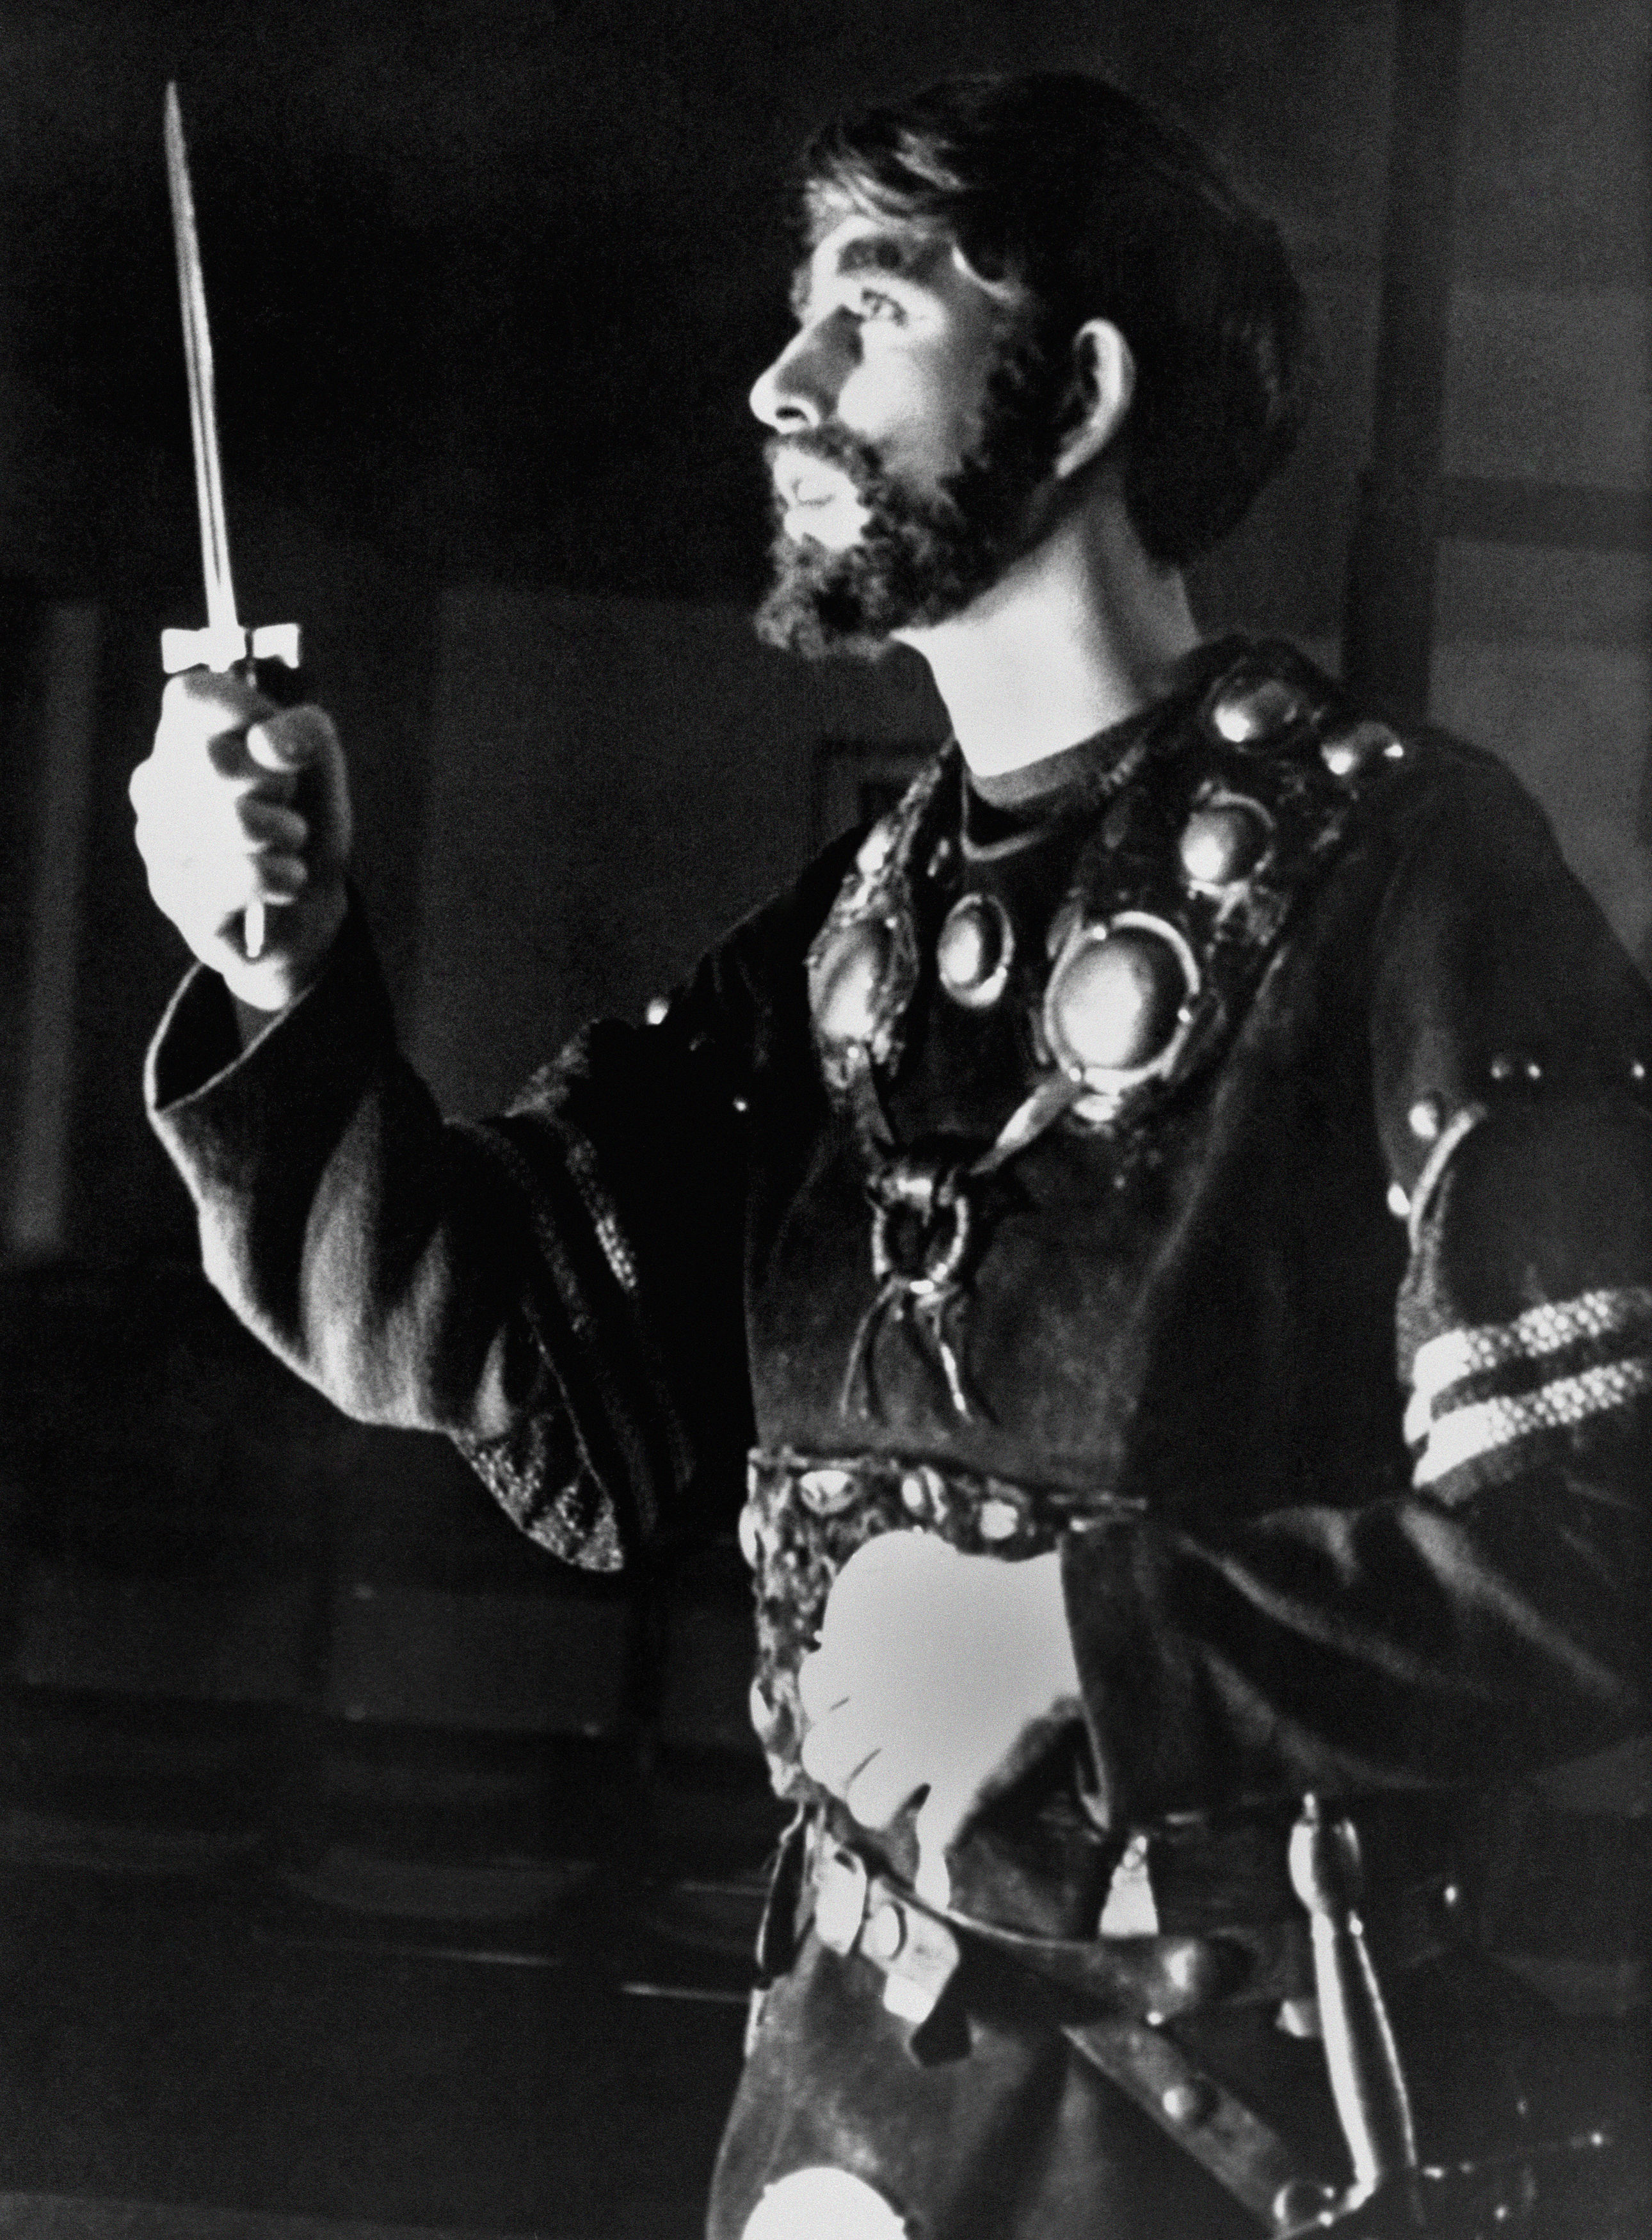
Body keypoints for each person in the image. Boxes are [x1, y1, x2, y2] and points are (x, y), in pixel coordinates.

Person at [131, 72, 1647, 2240]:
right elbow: (499, 1345)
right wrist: (274, 972)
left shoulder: (1411, 874)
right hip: (837, 2130)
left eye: (875, 302)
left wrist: (1087, 1643)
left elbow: (1616, 1517)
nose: (781, 376)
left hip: (1235, 2162)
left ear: (1083, 387)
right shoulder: (846, 943)